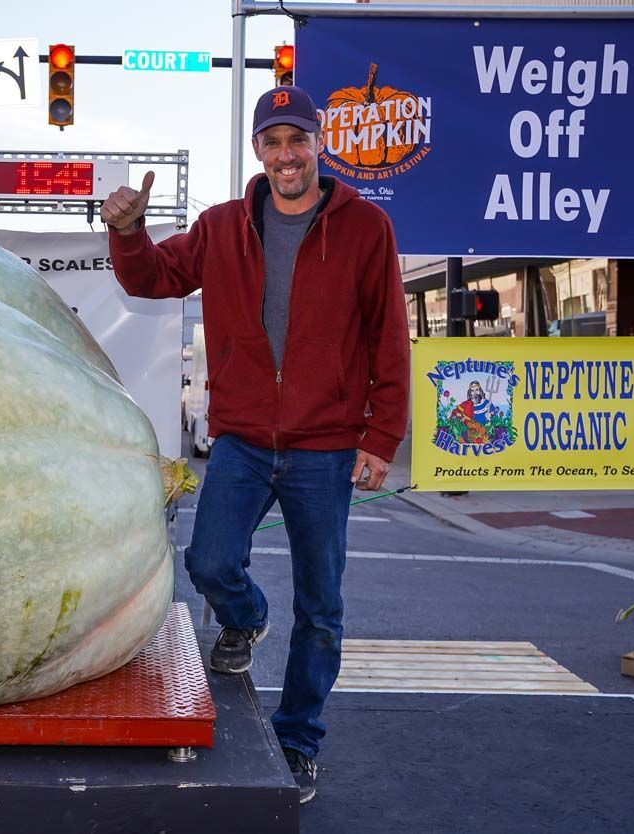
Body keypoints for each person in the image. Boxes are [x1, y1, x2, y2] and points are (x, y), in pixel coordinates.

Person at [101, 86, 410, 804]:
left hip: (327, 445)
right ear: (257, 151)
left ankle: (299, 738)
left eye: (296, 140)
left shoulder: (365, 228)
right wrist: (128, 231)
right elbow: (152, 277)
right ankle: (245, 618)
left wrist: (381, 434)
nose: (286, 155)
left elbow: (388, 337)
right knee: (208, 559)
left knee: (323, 605)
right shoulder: (221, 227)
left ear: (318, 143)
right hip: (241, 437)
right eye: (271, 142)